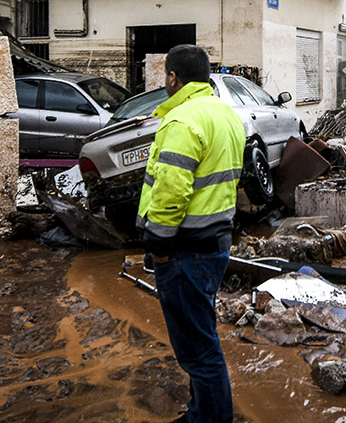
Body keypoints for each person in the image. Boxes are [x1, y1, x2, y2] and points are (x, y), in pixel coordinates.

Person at [138, 45, 246, 423]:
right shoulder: (225, 113)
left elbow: (171, 191)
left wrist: (159, 247)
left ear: (172, 77)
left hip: (185, 251)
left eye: (164, 77)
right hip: (214, 245)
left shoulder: (182, 120)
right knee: (202, 340)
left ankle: (211, 419)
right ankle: (202, 411)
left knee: (198, 351)